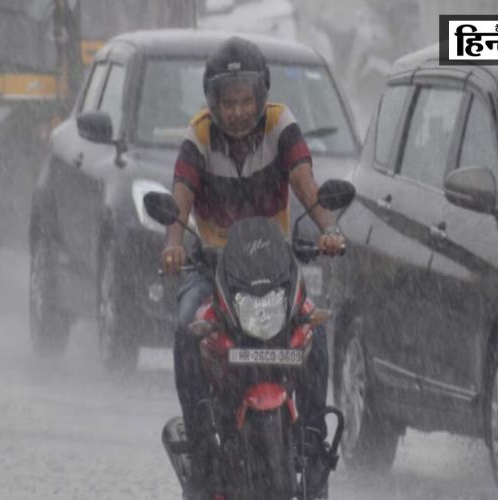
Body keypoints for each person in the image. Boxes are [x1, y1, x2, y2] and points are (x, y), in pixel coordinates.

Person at [160, 36, 345, 499]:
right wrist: (173, 244)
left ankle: (312, 439)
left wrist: (328, 227)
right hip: (211, 268)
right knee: (187, 331)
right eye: (230, 102)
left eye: (247, 101)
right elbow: (180, 200)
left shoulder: (282, 124)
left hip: (275, 270)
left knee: (315, 333)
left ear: (261, 98)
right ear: (214, 102)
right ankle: (201, 444)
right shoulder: (197, 134)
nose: (239, 111)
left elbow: (306, 184)